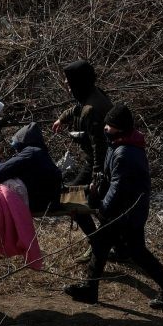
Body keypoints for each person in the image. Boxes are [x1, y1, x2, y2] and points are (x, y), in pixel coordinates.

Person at [63, 104, 163, 310]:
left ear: (119, 128)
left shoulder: (125, 153)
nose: (105, 128)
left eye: (109, 126)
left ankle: (90, 289)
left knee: (109, 245)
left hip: (126, 212)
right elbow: (110, 176)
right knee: (132, 250)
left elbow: (118, 187)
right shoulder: (119, 143)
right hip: (128, 210)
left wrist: (102, 209)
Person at [52, 60, 114, 247]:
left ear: (78, 84)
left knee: (71, 198)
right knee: (87, 203)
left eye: (69, 84)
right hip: (102, 162)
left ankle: (98, 243)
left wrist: (96, 178)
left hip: (102, 165)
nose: (67, 87)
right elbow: (79, 107)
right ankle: (104, 243)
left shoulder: (92, 111)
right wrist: (63, 118)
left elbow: (99, 146)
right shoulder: (94, 93)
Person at [0, 122, 64, 217]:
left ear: (23, 141)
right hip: (48, 202)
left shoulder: (31, 153)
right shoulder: (40, 152)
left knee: (6, 182)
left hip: (39, 204)